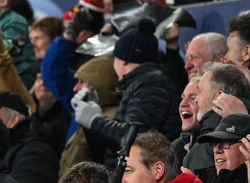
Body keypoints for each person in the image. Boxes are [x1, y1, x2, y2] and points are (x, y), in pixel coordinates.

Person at [73, 19, 180, 165]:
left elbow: (135, 139)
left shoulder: (151, 84)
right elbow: (110, 149)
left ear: (123, 60)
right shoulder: (140, 83)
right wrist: (91, 124)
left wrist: (94, 120)